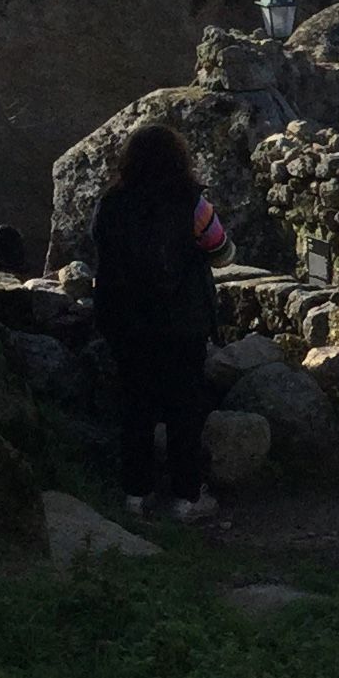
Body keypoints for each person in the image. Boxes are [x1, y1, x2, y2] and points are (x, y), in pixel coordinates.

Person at [89, 123, 234, 523]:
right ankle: (187, 498)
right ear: (179, 159)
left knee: (135, 405)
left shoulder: (110, 203)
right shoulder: (193, 204)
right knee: (184, 407)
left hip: (125, 322)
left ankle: (136, 495)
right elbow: (222, 253)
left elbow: (100, 246)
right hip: (181, 323)